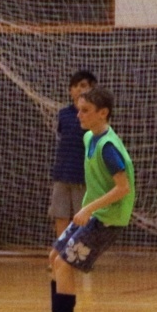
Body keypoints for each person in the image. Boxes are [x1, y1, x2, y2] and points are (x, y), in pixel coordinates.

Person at [35, 87, 134, 312]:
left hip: (108, 219)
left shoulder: (108, 147)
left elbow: (123, 188)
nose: (79, 115)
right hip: (96, 214)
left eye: (85, 111)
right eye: (78, 110)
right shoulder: (89, 137)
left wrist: (88, 208)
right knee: (54, 257)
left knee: (64, 264)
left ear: (103, 113)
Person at [49, 70, 98, 237]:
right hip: (62, 173)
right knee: (60, 214)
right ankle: (61, 249)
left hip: (83, 175)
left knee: (82, 216)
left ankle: (80, 250)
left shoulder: (95, 115)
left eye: (83, 85)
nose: (78, 89)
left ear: (92, 89)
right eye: (75, 86)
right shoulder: (63, 114)